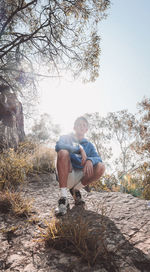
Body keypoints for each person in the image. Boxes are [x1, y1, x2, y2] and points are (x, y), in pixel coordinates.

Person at [55, 116, 105, 215]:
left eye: (84, 125)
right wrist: (79, 149)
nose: (81, 127)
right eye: (79, 124)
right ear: (74, 127)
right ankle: (63, 199)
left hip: (80, 176)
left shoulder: (89, 145)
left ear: (86, 129)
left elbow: (98, 159)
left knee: (101, 167)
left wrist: (90, 160)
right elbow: (58, 146)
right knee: (63, 153)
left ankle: (76, 190)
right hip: (67, 173)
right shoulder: (66, 137)